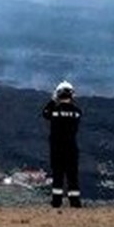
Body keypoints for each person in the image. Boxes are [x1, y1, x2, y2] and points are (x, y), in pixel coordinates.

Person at [41, 80, 82, 208]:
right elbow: (76, 114)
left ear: (58, 94)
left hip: (57, 149)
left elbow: (45, 113)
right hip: (71, 149)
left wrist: (53, 100)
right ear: (72, 95)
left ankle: (56, 202)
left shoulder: (54, 112)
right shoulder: (77, 112)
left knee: (58, 175)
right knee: (72, 176)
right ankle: (75, 202)